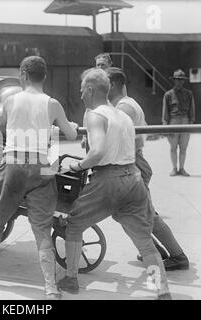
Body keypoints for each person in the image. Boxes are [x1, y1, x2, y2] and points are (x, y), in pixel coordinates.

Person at [57, 68, 171, 300]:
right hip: (133, 178)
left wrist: (77, 166)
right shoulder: (123, 116)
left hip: (108, 179)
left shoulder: (95, 115)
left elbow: (97, 152)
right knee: (144, 241)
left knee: (75, 224)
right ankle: (162, 291)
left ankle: (70, 279)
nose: (80, 96)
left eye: (81, 91)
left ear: (90, 90)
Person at [0, 56, 79, 300]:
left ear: (23, 74)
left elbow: (1, 122)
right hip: (40, 166)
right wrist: (68, 124)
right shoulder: (52, 103)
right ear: (43, 76)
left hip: (12, 163)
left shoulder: (10, 100)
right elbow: (71, 132)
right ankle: (50, 288)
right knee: (42, 230)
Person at [107, 67, 189, 271]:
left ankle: (177, 256)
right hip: (131, 162)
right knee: (124, 213)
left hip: (132, 163)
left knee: (146, 214)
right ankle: (154, 250)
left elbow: (122, 143)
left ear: (113, 84)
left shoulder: (124, 107)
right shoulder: (122, 104)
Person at [162, 69, 195, 176]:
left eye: (181, 80)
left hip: (185, 121)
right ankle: (174, 168)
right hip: (173, 121)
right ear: (174, 81)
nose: (179, 82)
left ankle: (182, 168)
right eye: (177, 80)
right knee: (173, 147)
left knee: (184, 147)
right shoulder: (168, 95)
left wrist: (190, 124)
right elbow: (165, 111)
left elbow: (192, 110)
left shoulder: (189, 94)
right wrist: (165, 127)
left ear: (184, 81)